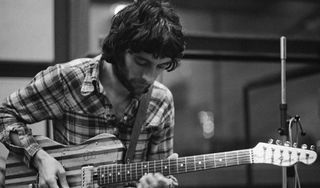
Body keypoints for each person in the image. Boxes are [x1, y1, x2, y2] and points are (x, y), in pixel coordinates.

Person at [0, 0, 185, 187]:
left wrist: (161, 184)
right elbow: (5, 114)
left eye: (160, 66)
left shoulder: (161, 100)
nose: (149, 77)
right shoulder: (69, 78)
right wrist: (39, 158)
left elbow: (163, 173)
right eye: (141, 62)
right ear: (119, 49)